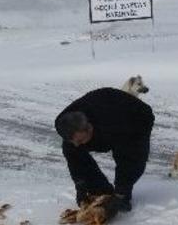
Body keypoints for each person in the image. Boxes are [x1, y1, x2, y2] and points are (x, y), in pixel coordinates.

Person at [54, 87, 155, 215]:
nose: (77, 144)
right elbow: (74, 159)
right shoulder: (67, 126)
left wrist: (121, 194)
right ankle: (102, 191)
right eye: (74, 141)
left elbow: (129, 159)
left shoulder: (117, 125)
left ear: (89, 128)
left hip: (137, 117)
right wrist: (81, 186)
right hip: (102, 108)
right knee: (72, 150)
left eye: (80, 140)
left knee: (131, 155)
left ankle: (121, 195)